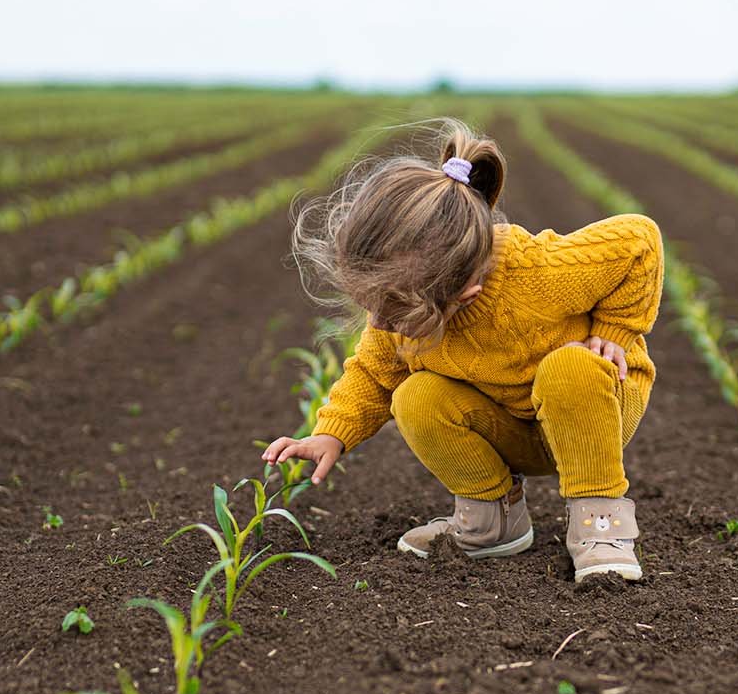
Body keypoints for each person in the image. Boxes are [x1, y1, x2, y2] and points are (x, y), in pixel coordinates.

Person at [262, 117, 663, 582]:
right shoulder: (399, 318)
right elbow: (371, 374)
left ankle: (601, 521)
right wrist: (330, 434)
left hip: (596, 408)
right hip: (510, 426)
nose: (378, 323)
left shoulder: (539, 271)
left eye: (394, 311)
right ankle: (492, 520)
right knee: (415, 396)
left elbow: (639, 240)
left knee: (569, 366)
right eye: (371, 305)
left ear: (465, 294)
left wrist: (615, 331)